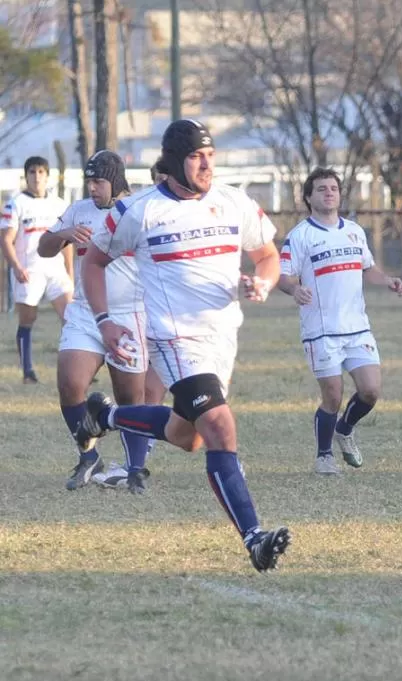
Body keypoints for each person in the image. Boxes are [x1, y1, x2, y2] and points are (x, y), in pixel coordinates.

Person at [72, 119, 290, 571]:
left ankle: (105, 414)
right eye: (195, 156)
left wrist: (263, 284)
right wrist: (104, 320)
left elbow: (269, 255)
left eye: (210, 154)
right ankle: (254, 538)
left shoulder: (233, 200)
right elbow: (93, 262)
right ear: (173, 162)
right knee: (220, 428)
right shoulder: (139, 210)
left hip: (222, 337)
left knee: (186, 437)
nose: (207, 163)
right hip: (174, 339)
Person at [37, 150, 166, 491]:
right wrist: (64, 233)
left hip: (128, 316)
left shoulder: (137, 211)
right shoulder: (78, 211)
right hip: (85, 312)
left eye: (98, 181)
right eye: (89, 181)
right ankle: (88, 456)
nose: (92, 188)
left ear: (116, 180)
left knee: (130, 397)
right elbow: (43, 248)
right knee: (69, 382)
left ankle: (135, 468)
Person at [278, 167, 402, 475]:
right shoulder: (300, 236)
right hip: (321, 331)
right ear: (309, 197)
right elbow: (282, 276)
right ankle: (324, 456)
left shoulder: (354, 231)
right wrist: (295, 289)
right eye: (321, 189)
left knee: (371, 391)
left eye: (333, 188)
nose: (329, 193)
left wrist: (386, 280)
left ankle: (345, 429)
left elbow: (368, 267)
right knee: (332, 394)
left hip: (356, 327)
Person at [0, 156, 72, 383]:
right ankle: (27, 371)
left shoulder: (59, 204)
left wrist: (69, 271)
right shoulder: (16, 203)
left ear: (47, 175)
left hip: (55, 269)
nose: (37, 176)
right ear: (26, 175)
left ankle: (76, 368)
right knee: (27, 320)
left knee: (72, 318)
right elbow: (6, 239)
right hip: (29, 270)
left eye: (41, 172)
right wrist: (17, 267)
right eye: (32, 172)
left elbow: (66, 241)